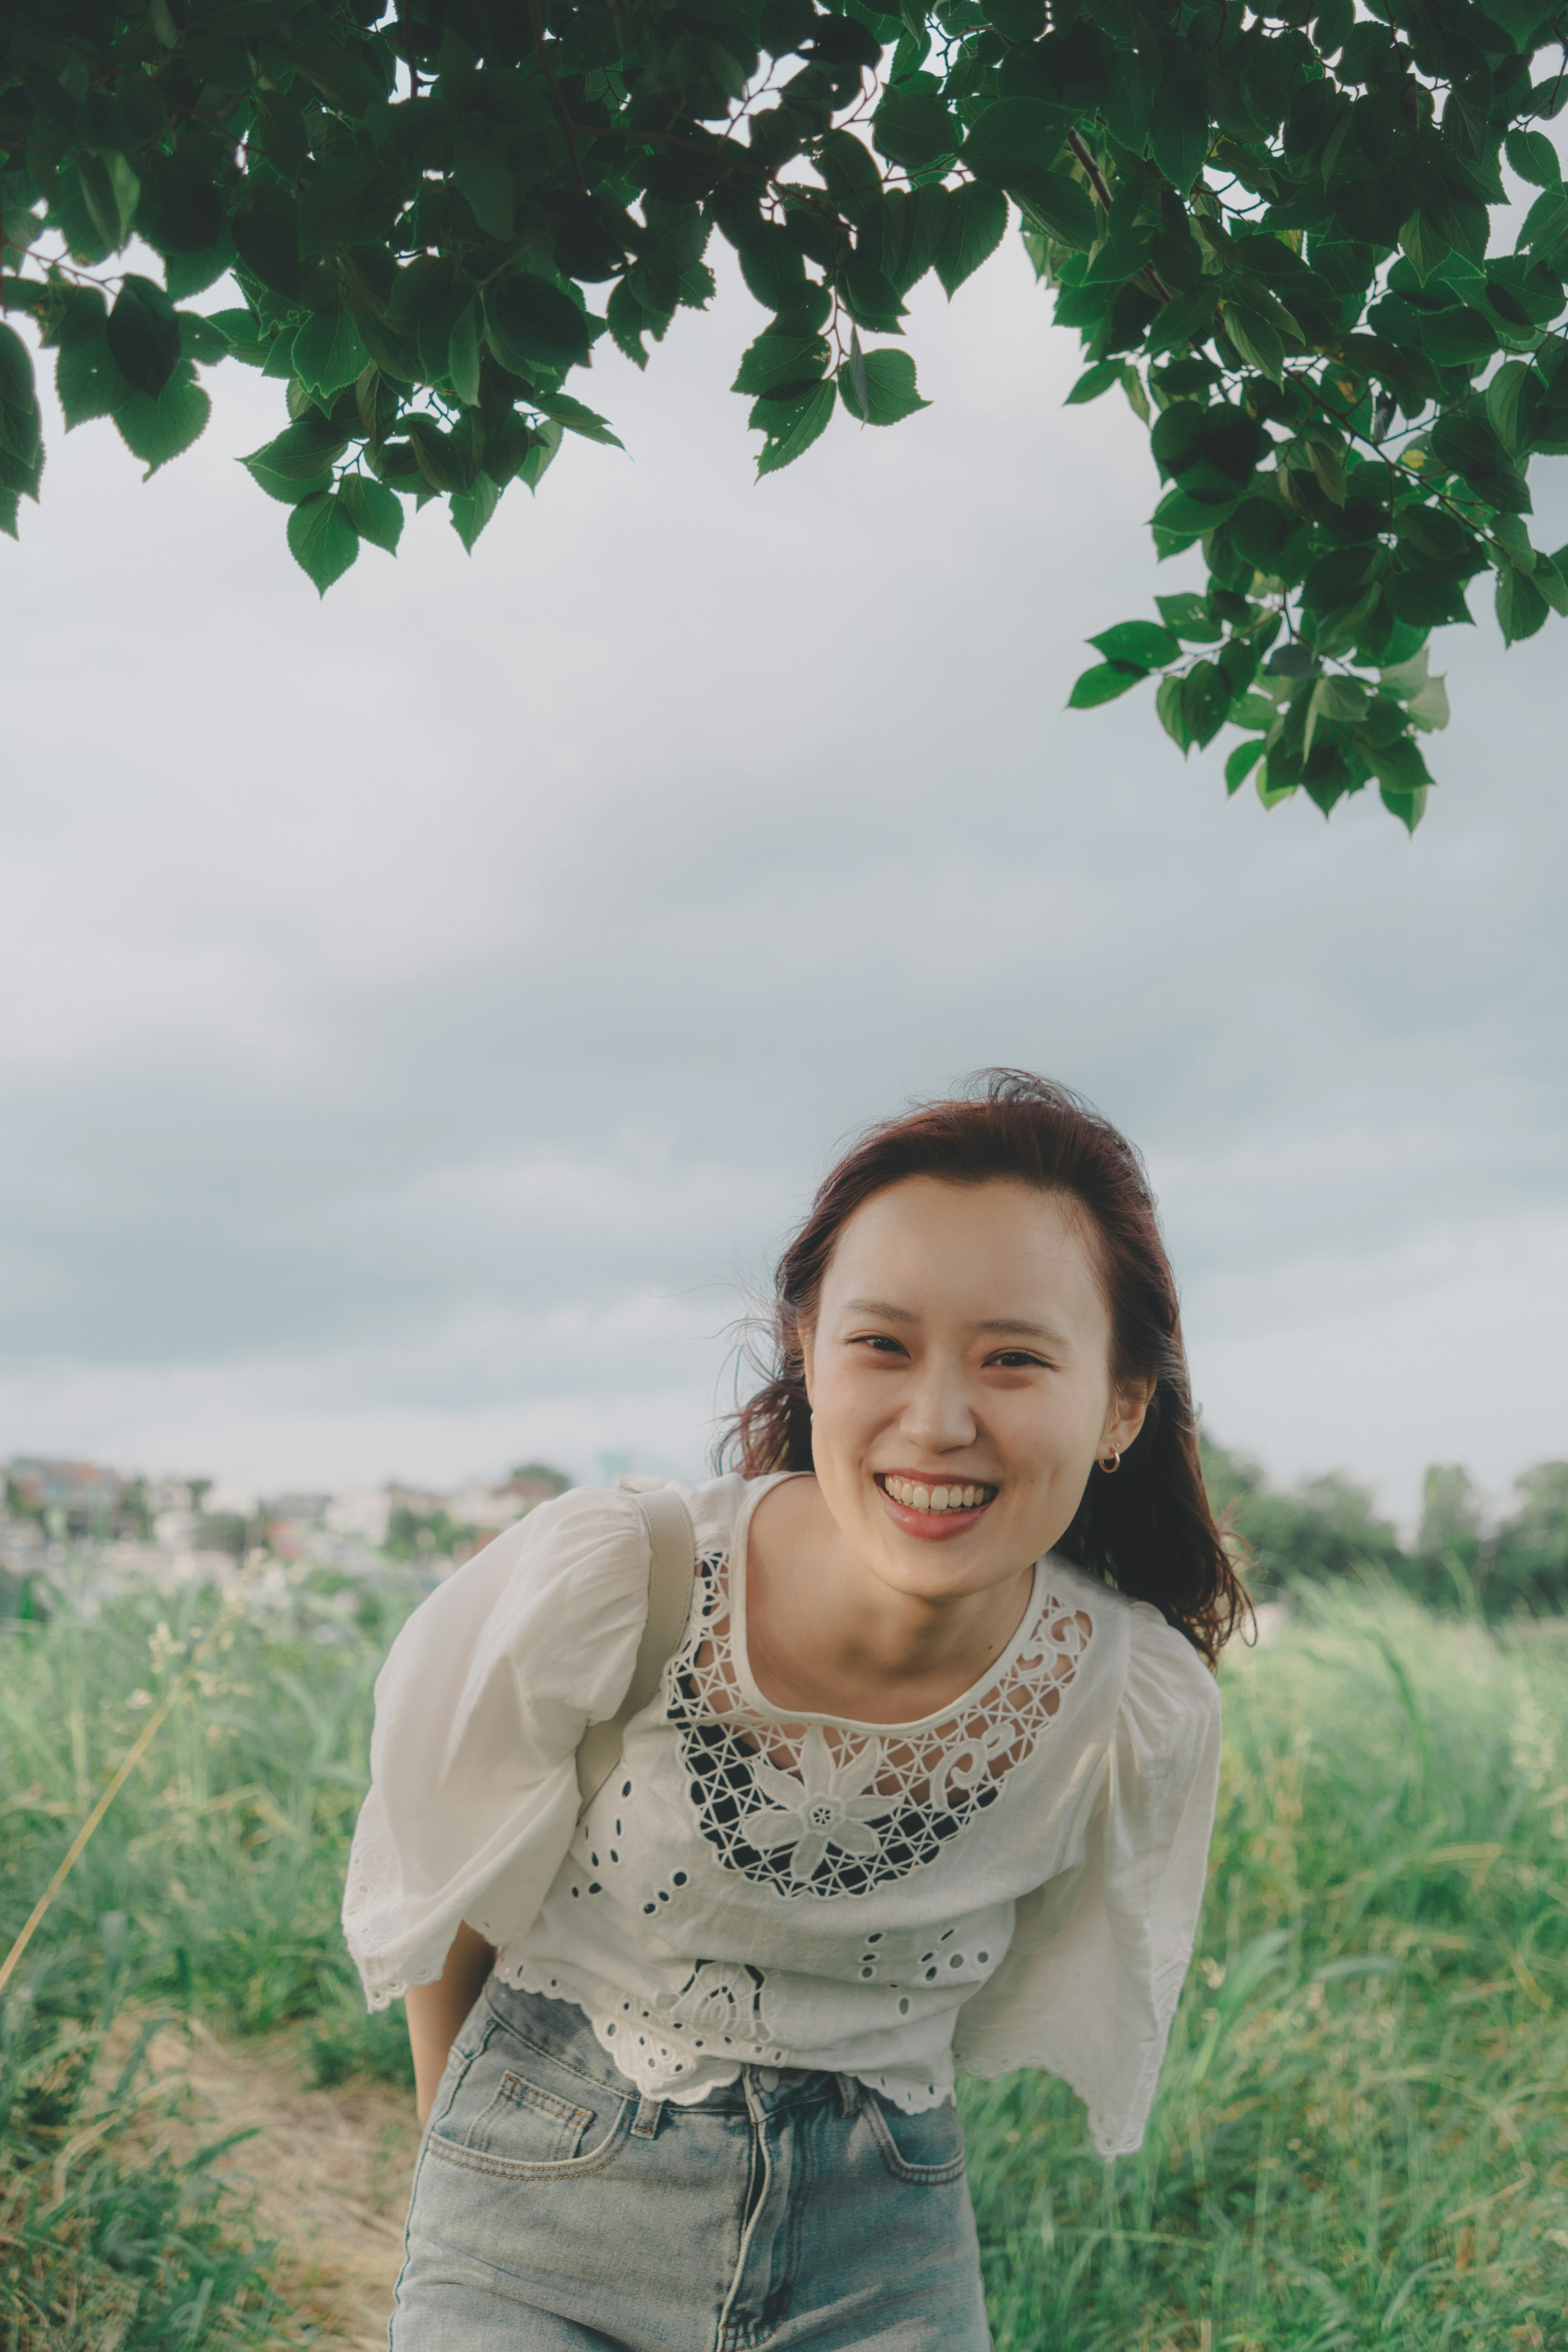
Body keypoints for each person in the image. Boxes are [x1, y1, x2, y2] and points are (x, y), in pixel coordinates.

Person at [343, 1071, 1244, 2351]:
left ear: (1121, 1406)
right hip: (536, 2203)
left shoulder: (1129, 1703)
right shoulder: (620, 1582)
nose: (939, 1422)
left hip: (885, 2244)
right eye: (883, 1344)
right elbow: (439, 1875)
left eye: (1015, 1360)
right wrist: (469, 2169)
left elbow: (1017, 1988)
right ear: (808, 1353)